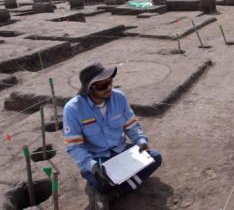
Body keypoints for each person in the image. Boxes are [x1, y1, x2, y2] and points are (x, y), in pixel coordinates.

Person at [63, 63, 162, 210]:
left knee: (155, 157)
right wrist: (92, 166)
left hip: (122, 150)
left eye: (109, 82)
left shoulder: (119, 97)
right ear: (90, 89)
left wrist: (141, 141)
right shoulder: (72, 109)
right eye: (103, 86)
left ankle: (112, 193)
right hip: (97, 159)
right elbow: (74, 146)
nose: (109, 88)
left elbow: (131, 125)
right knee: (98, 178)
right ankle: (102, 185)